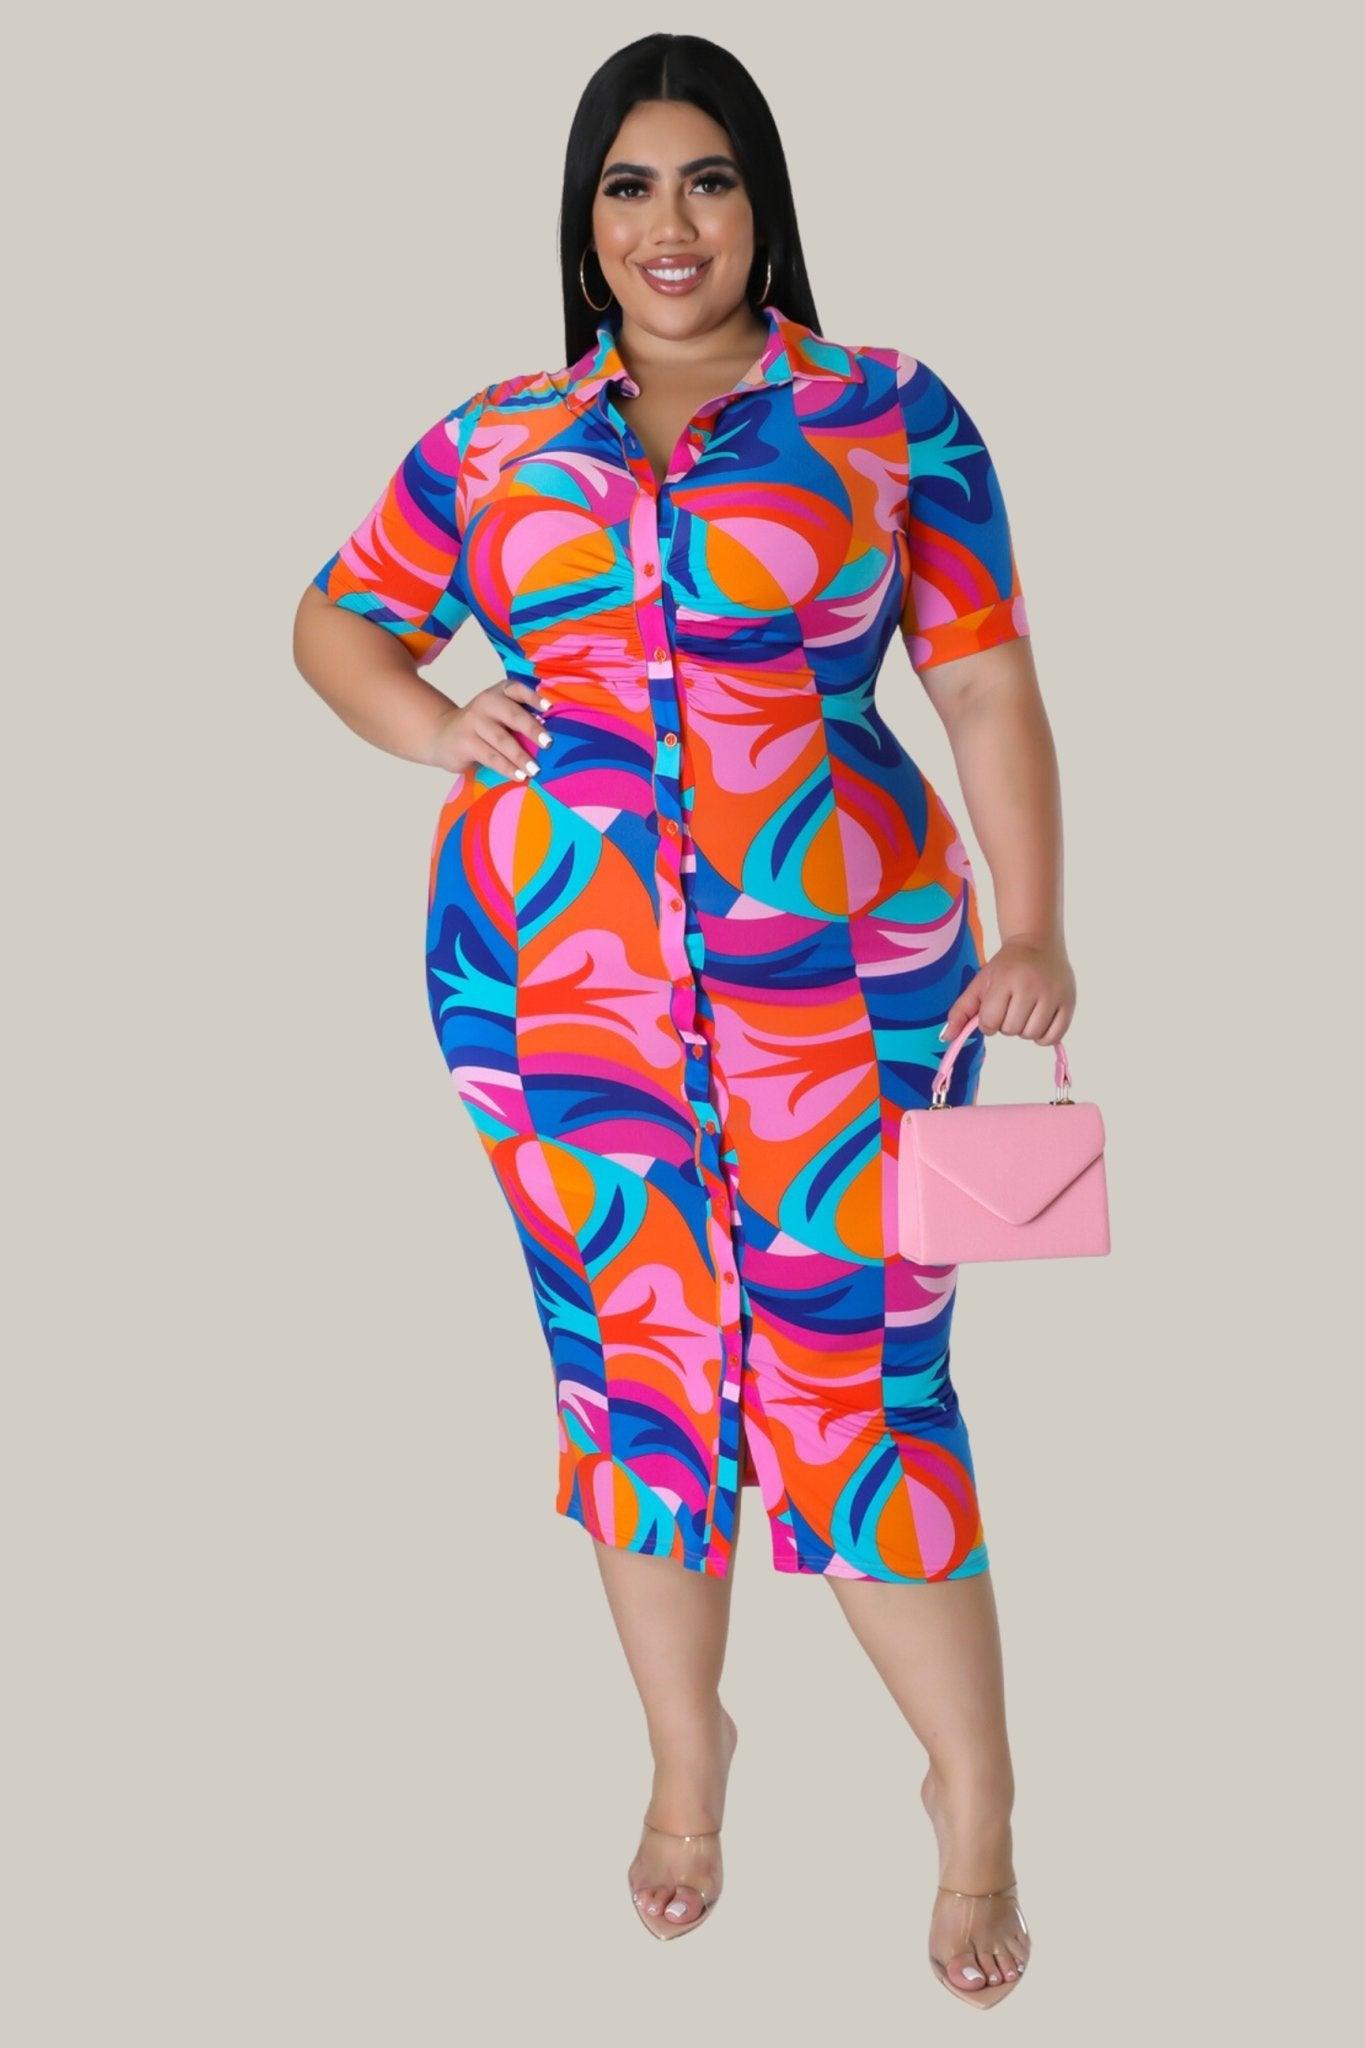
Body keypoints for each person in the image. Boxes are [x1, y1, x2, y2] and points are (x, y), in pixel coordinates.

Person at [293, 32, 1073, 2003]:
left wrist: (1039, 921)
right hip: (557, 995)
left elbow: (980, 678)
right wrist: (435, 724)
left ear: (760, 204)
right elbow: (335, 616)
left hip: (846, 992)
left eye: (707, 180)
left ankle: (972, 1799)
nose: (669, 223)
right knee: (635, 1378)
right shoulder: (494, 442)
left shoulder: (884, 413)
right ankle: (684, 1762)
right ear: (584, 219)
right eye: (628, 185)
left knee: (865, 1388)